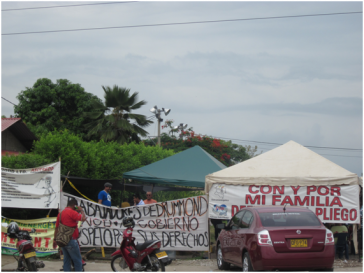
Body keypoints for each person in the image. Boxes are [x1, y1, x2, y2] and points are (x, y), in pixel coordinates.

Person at [54, 198, 86, 272]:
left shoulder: (61, 213)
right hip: (71, 240)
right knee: (77, 260)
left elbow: (56, 228)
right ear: (75, 206)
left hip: (62, 240)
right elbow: (83, 218)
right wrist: (81, 210)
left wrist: (54, 239)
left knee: (66, 260)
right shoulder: (72, 212)